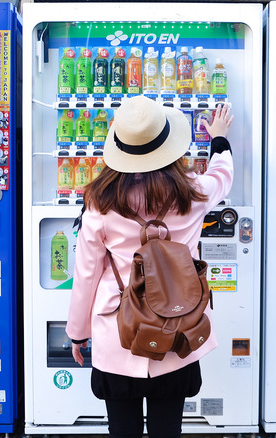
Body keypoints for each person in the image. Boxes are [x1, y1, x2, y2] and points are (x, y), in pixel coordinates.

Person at [66, 95, 234, 438]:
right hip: (177, 326)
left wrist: (77, 333)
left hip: (119, 332)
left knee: (122, 430)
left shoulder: (99, 203)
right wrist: (219, 138)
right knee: (167, 429)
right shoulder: (195, 192)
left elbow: (87, 274)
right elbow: (223, 173)